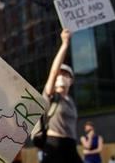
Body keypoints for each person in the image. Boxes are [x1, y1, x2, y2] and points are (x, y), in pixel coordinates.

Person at [41, 29, 82, 163]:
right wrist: (65, 43)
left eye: (65, 74)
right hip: (54, 146)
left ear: (71, 80)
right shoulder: (51, 95)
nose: (61, 76)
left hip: (71, 147)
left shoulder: (70, 100)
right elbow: (53, 72)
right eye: (60, 74)